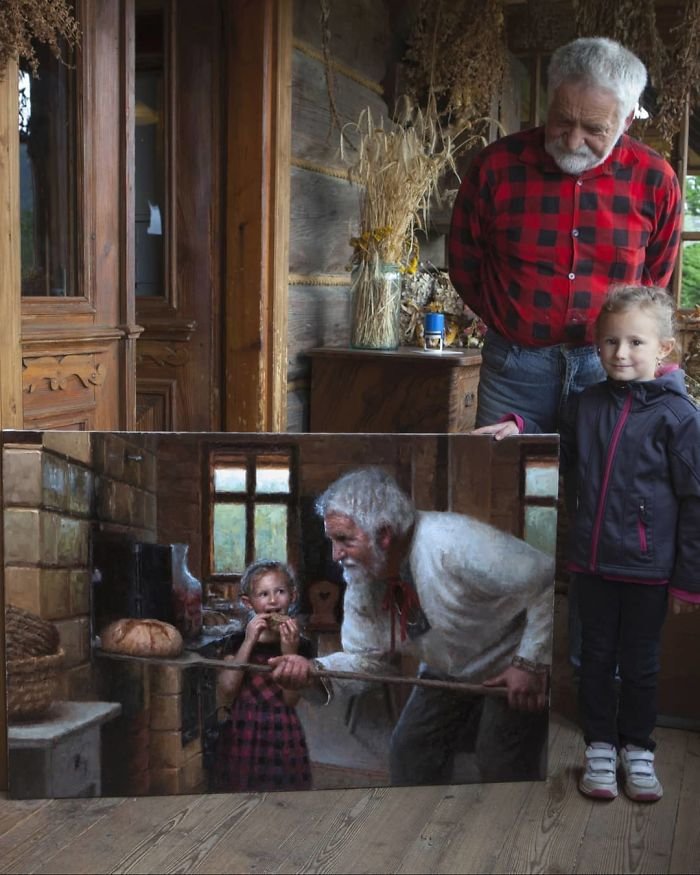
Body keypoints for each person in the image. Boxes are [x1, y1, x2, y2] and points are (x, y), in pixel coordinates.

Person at [473, 285, 700, 802]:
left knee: (640, 665)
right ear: (596, 347)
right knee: (591, 660)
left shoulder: (681, 419)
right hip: (590, 568)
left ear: (664, 348)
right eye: (609, 343)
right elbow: (561, 442)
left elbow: (695, 504)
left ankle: (638, 750)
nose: (621, 353)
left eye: (635, 343)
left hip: (649, 571)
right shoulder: (588, 404)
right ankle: (599, 746)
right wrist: (517, 424)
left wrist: (689, 581)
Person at [448, 36, 682, 432]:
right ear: (549, 99)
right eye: (562, 120)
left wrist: (618, 340)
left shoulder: (656, 179)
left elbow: (653, 281)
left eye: (594, 128)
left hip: (609, 368)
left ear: (626, 120)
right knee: (503, 485)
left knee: (599, 489)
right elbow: (464, 262)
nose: (574, 141)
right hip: (513, 367)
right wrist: (513, 321)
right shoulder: (496, 166)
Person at [269, 466, 555, 786]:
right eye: (331, 541)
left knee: (499, 758)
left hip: (509, 660)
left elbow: (545, 578)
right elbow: (368, 661)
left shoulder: (454, 542)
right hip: (447, 668)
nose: (336, 555)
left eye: (344, 540)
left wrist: (529, 662)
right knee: (410, 752)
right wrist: (312, 669)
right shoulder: (364, 579)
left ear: (385, 534)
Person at [214, 559, 312, 792]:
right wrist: (249, 641)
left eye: (280, 591)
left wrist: (289, 651)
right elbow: (227, 689)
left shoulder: (302, 645)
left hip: (282, 728)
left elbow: (291, 700)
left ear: (293, 596)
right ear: (248, 603)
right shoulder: (236, 640)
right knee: (240, 785)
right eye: (263, 594)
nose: (272, 600)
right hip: (243, 725)